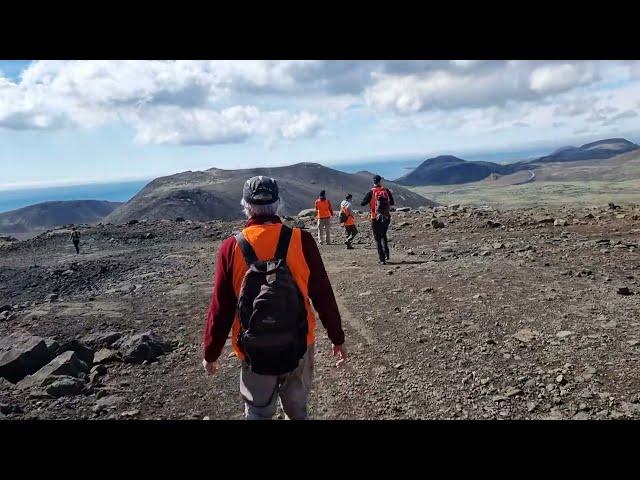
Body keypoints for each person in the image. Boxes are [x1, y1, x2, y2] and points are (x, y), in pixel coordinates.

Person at [202, 176, 346, 420]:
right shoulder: (302, 240)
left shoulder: (231, 247)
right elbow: (322, 294)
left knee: (257, 412)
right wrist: (337, 337)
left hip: (252, 346)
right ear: (278, 204)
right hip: (300, 340)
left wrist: (211, 352)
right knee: (297, 410)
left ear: (246, 206)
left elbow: (221, 308)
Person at [361, 175, 394, 264]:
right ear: (380, 181)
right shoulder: (386, 190)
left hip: (375, 217)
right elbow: (392, 202)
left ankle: (382, 259)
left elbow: (362, 203)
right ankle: (387, 255)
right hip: (386, 216)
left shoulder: (371, 192)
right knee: (383, 235)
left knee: (377, 239)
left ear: (374, 182)